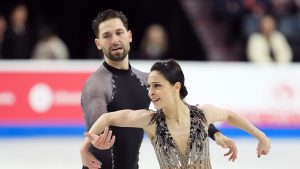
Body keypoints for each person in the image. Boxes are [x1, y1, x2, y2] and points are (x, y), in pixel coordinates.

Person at [80, 9, 237, 169]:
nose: (114, 40)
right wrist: (89, 147)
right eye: (107, 35)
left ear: (129, 36)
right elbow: (94, 136)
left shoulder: (144, 80)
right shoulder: (96, 85)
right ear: (98, 43)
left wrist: (215, 133)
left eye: (119, 33)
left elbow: (185, 112)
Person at [84, 59, 271, 168]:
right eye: (149, 86)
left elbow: (230, 115)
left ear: (176, 86)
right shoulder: (151, 121)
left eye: (157, 86)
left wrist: (261, 137)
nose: (150, 92)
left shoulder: (202, 114)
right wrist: (85, 147)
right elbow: (107, 117)